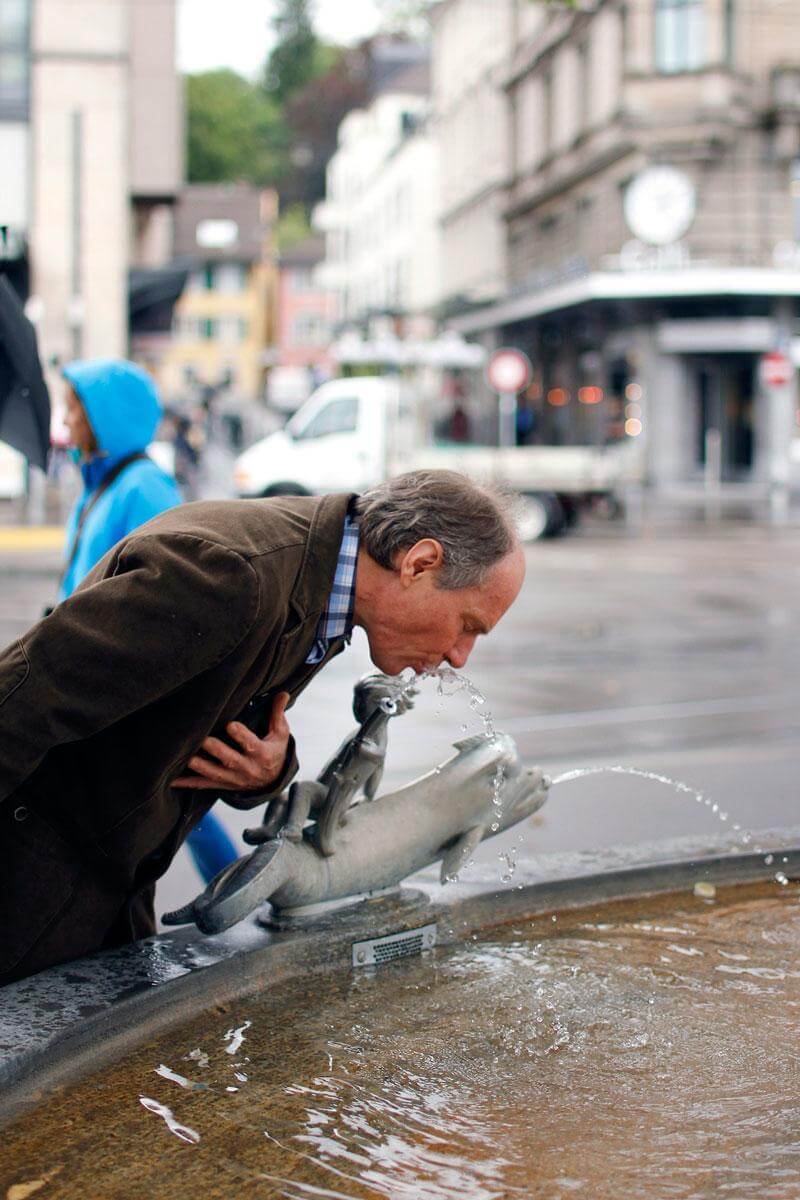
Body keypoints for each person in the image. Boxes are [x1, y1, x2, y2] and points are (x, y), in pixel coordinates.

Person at [0, 470, 525, 985]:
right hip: (30, 889)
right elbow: (20, 700)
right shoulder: (231, 577)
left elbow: (212, 705)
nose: (459, 656)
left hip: (105, 887)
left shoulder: (322, 588)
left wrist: (268, 771)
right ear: (420, 563)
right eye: (468, 625)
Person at [58, 359, 236, 883]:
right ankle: (233, 893)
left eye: (74, 408)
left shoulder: (144, 488)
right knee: (164, 796)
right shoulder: (101, 484)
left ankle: (233, 894)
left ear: (105, 417)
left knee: (167, 795)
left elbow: (174, 588)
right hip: (87, 672)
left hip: (121, 681)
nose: (66, 420)